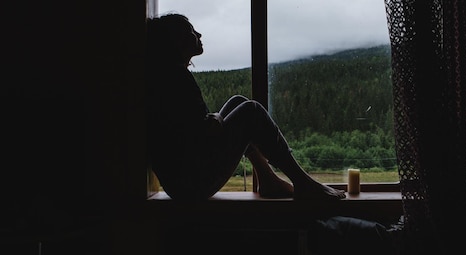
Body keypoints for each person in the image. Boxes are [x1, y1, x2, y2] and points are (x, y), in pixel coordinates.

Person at [145, 12, 346, 202]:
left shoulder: (165, 77)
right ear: (176, 40)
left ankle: (267, 179)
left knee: (237, 102)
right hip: (192, 184)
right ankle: (303, 183)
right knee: (251, 111)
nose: (198, 34)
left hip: (181, 182)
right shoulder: (177, 78)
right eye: (190, 30)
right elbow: (204, 131)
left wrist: (215, 119)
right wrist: (216, 119)